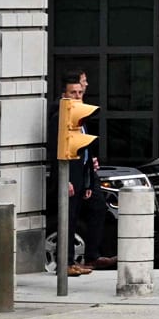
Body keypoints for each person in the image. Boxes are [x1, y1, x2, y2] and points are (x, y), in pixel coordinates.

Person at [60, 72, 113, 273]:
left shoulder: (81, 117)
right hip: (70, 176)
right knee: (70, 217)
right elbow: (56, 151)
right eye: (73, 93)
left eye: (80, 92)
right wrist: (63, 180)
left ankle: (93, 256)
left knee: (98, 207)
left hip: (85, 175)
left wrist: (90, 180)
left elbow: (86, 148)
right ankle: (67, 262)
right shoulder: (61, 118)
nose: (77, 96)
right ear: (64, 95)